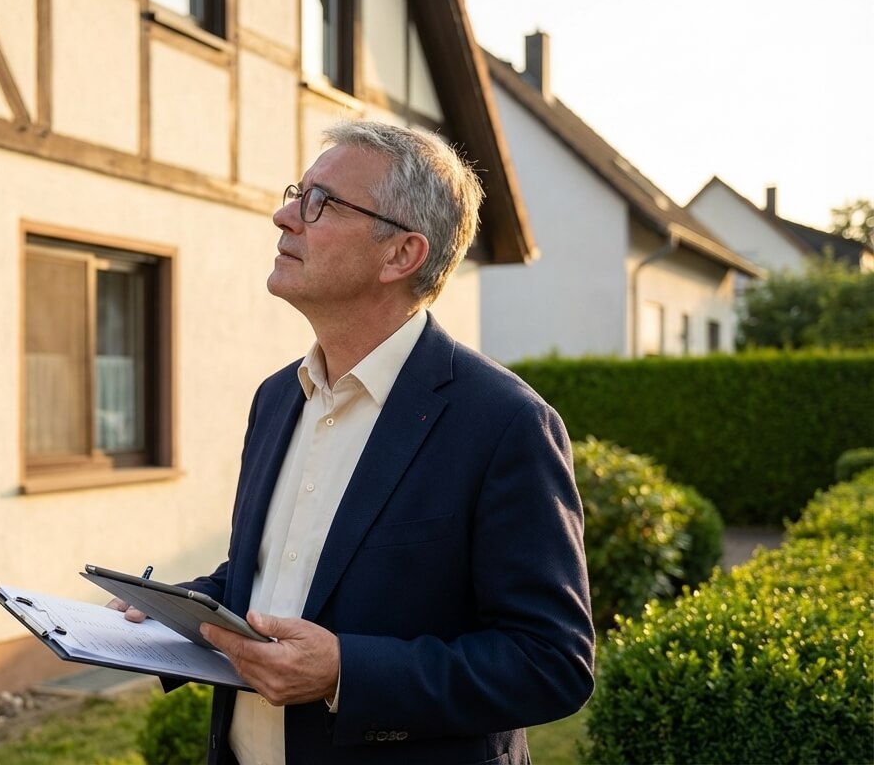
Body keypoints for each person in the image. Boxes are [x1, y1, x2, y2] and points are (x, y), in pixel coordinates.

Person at [114, 120, 594, 764]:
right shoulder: (276, 398)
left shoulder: (505, 423)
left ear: (401, 254)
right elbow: (274, 576)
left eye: (321, 203)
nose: (285, 216)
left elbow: (550, 661)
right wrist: (173, 612)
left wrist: (346, 672)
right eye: (296, 192)